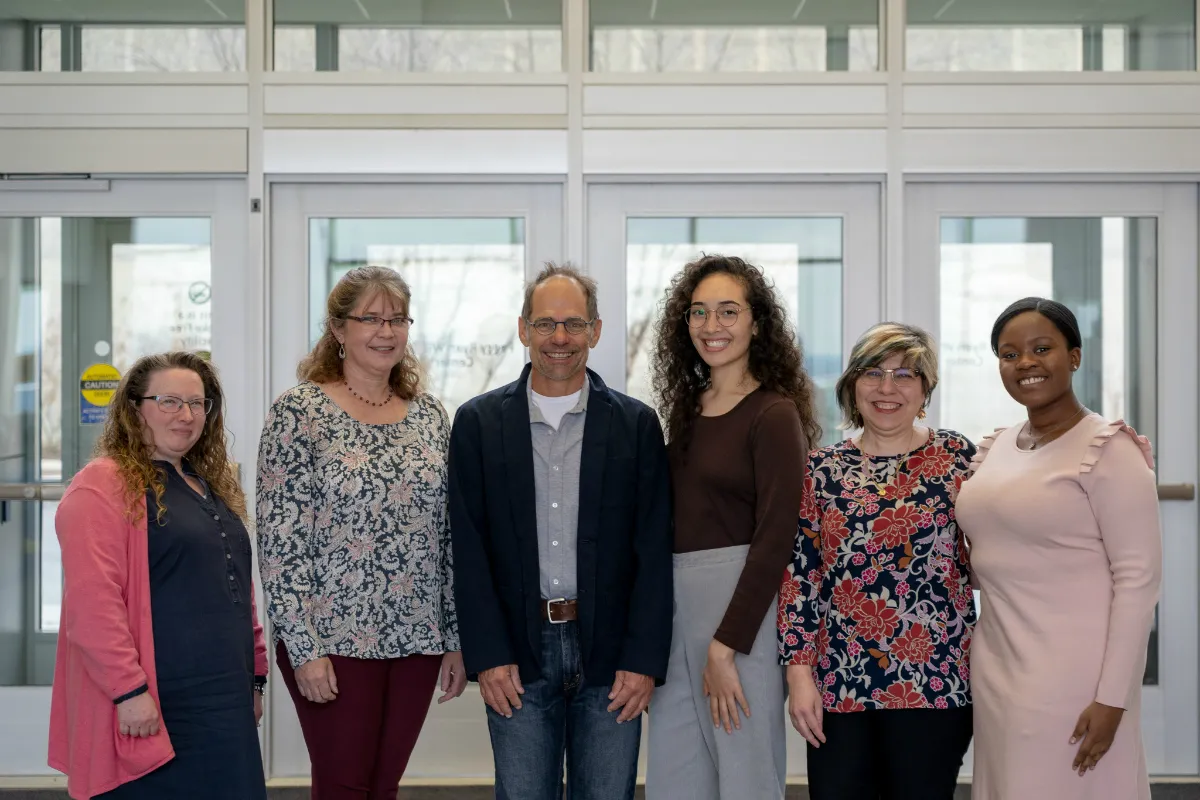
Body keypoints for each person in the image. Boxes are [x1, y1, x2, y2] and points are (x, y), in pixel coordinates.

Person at [448, 262, 673, 800]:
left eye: (574, 324)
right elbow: (468, 548)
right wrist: (487, 654)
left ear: (595, 331)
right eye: (546, 324)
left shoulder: (636, 425)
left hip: (611, 656)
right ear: (523, 328)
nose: (560, 338)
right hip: (517, 656)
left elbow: (653, 549)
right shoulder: (478, 424)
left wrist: (642, 661)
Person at [256, 266, 466, 800]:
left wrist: (455, 638)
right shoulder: (298, 412)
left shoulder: (430, 417)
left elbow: (446, 537)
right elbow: (282, 545)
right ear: (338, 328)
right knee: (345, 786)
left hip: (418, 637)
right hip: (333, 638)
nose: (386, 330)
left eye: (397, 318)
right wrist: (303, 647)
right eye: (370, 317)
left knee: (384, 786)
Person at [956, 297, 1161, 800]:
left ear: (1074, 356)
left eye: (1041, 348)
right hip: (998, 666)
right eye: (1009, 354)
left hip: (1076, 677)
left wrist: (1113, 698)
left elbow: (1137, 582)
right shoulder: (996, 447)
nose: (1025, 362)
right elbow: (990, 554)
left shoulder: (1109, 449)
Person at [49, 351, 268, 800]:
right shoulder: (102, 485)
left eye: (197, 404)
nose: (186, 415)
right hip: (159, 699)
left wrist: (255, 677)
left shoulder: (205, 483)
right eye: (169, 401)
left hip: (223, 695)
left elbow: (236, 589)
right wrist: (129, 692)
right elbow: (93, 606)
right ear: (134, 409)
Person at [779, 322, 976, 799]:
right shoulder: (821, 469)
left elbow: (1004, 543)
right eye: (873, 373)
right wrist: (798, 671)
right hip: (840, 683)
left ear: (926, 388)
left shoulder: (957, 458)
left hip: (936, 679)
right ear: (852, 386)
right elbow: (801, 576)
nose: (887, 388)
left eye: (905, 375)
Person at [645, 254, 816, 799]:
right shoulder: (688, 408)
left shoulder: (774, 414)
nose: (711, 326)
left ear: (756, 322)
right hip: (677, 609)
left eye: (727, 311)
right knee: (676, 778)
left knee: (745, 777)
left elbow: (775, 538)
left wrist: (725, 646)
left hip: (741, 616)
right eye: (699, 312)